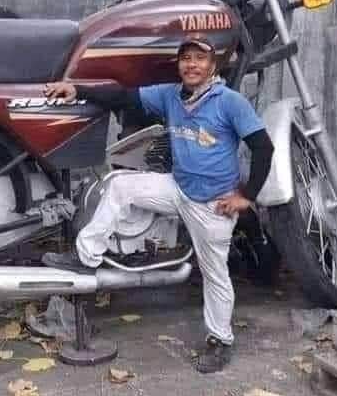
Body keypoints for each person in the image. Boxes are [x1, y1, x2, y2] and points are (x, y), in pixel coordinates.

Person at [43, 36, 274, 374]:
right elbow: (123, 95)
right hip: (178, 188)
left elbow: (264, 147)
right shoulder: (170, 95)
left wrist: (246, 197)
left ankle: (220, 340)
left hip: (212, 205)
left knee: (215, 275)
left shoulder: (230, 102)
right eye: (186, 58)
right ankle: (85, 257)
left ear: (213, 66)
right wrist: (77, 89)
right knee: (120, 185)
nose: (191, 64)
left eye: (200, 58)